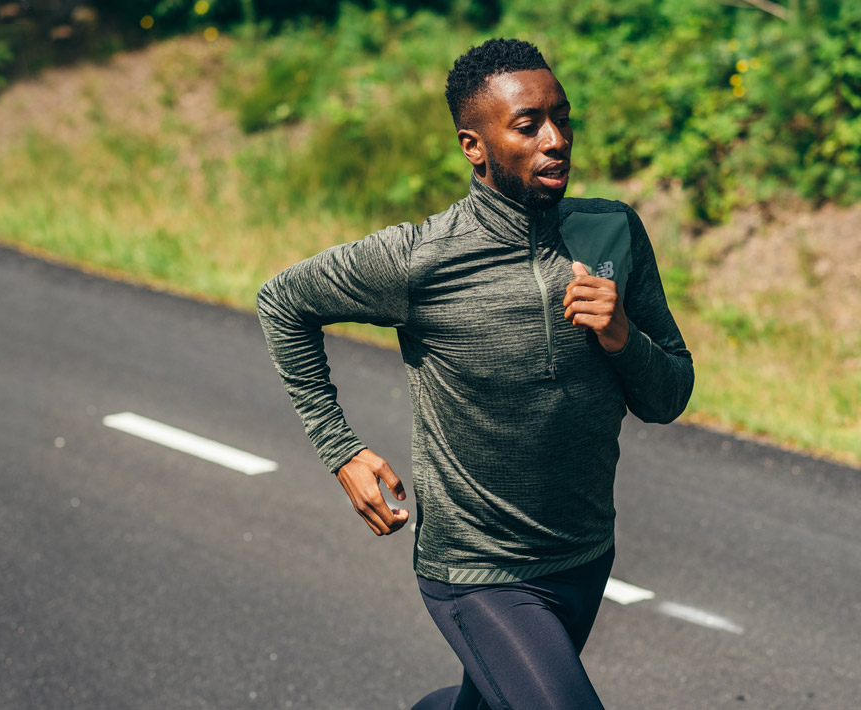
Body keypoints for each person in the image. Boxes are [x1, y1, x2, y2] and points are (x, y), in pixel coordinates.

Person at [255, 37, 694, 710]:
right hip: (479, 570)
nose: (556, 140)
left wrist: (620, 336)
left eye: (563, 118)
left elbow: (668, 396)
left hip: (583, 553)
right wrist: (341, 450)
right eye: (528, 125)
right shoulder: (419, 261)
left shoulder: (614, 233)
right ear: (474, 145)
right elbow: (283, 301)